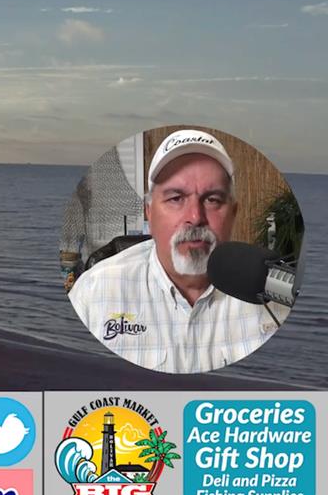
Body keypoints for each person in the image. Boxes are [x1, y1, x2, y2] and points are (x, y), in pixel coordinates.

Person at [68, 129, 289, 373]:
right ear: (149, 213)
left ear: (233, 214)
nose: (195, 218)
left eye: (213, 199)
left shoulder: (275, 299)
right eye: (175, 198)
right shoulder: (94, 292)